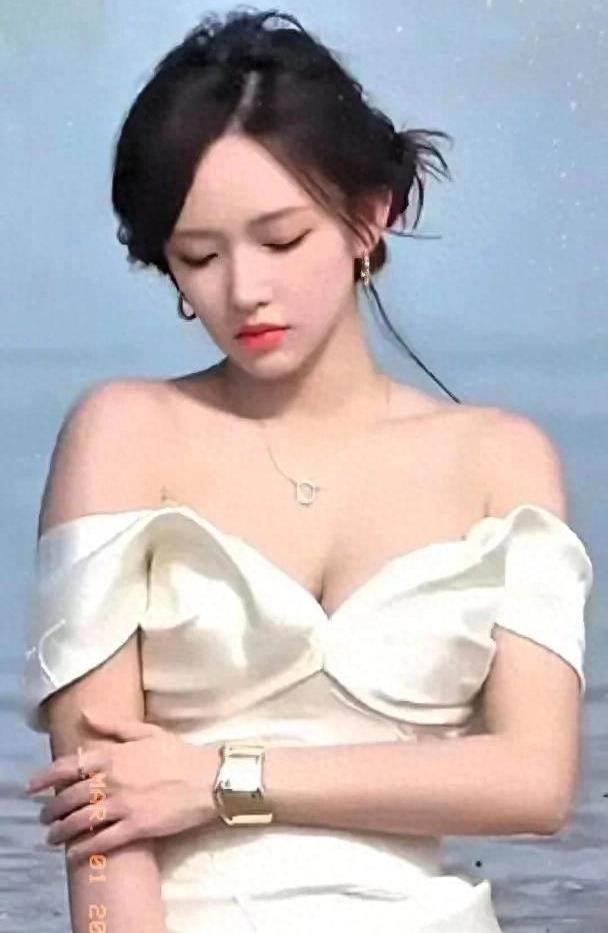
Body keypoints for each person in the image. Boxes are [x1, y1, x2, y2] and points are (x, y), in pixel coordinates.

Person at [21, 8, 593, 933]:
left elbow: (534, 781)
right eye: (198, 257)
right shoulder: (123, 435)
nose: (244, 289)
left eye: (281, 240)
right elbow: (97, 815)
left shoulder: (500, 458)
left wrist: (219, 778)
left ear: (369, 216)